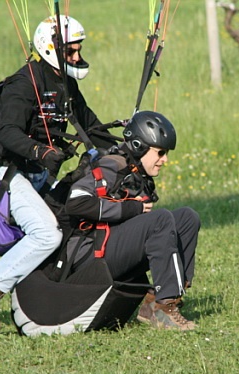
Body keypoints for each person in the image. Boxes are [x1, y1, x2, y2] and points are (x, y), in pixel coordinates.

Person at [0, 15, 116, 333]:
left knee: (72, 218)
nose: (77, 56)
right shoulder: (24, 83)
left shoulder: (65, 84)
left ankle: (51, 293)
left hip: (37, 175)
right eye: (71, 50)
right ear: (50, 48)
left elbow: (90, 127)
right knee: (47, 233)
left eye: (79, 49)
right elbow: (6, 132)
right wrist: (40, 151)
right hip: (4, 172)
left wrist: (125, 149)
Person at [64, 111, 201, 330]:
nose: (165, 160)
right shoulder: (112, 166)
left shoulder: (137, 172)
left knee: (187, 217)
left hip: (113, 247)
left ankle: (155, 301)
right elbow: (75, 202)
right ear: (139, 146)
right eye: (160, 152)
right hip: (90, 257)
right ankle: (164, 307)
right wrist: (130, 208)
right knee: (161, 219)